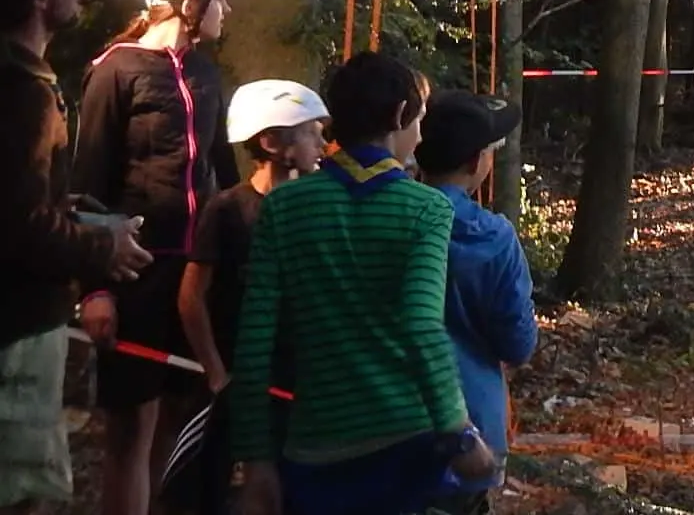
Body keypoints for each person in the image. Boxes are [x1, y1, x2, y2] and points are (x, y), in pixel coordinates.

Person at [230, 53, 493, 515]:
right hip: (405, 449)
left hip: (312, 446)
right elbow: (422, 325)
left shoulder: (284, 207)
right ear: (398, 117)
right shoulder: (426, 210)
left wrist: (256, 461)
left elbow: (254, 342)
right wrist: (460, 433)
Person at [73, 0, 237, 515]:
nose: (228, 11)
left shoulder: (207, 73)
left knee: (180, 422)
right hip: (135, 271)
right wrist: (95, 289)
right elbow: (87, 180)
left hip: (197, 275)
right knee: (130, 432)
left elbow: (226, 172)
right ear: (189, 3)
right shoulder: (114, 71)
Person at [0, 0, 152, 514]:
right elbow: (17, 226)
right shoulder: (21, 94)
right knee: (26, 492)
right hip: (14, 338)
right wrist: (101, 250)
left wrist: (88, 221)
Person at [177, 81, 329, 515]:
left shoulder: (312, 207)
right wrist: (216, 374)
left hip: (289, 384)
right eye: (311, 131)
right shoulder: (226, 210)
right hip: (227, 384)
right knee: (208, 489)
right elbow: (192, 298)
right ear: (271, 141)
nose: (322, 142)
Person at [413, 91, 537, 511]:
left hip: (382, 421)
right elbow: (518, 344)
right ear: (474, 162)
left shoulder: (386, 216)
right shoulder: (494, 239)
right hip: (471, 427)